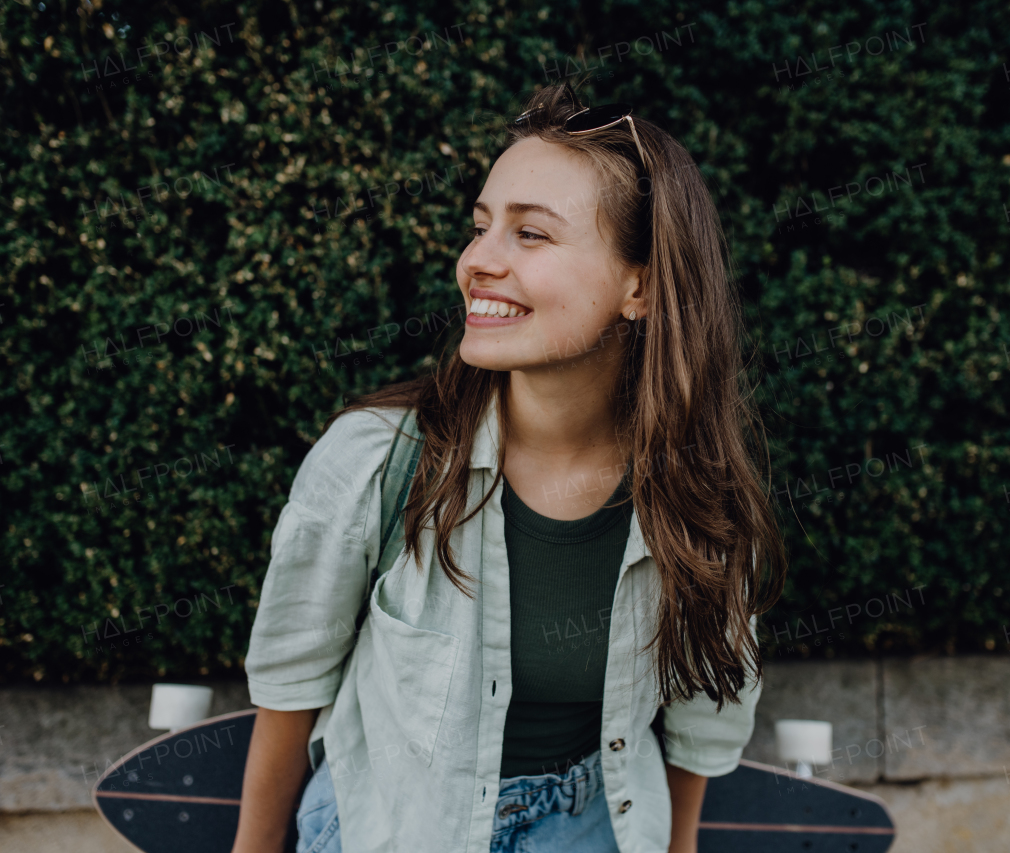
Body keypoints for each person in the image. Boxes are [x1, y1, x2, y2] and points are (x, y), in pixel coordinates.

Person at [232, 80, 785, 853]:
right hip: (393, 825)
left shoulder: (704, 505)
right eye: (481, 227)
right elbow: (290, 690)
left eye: (531, 235)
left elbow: (701, 724)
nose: (476, 263)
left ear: (642, 284)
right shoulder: (375, 464)